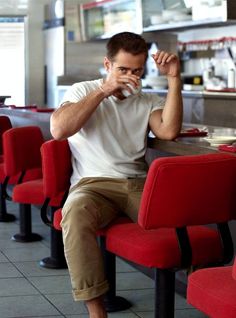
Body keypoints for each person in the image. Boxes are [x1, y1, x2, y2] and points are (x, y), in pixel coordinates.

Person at [50, 31, 183, 318]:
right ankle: (97, 310)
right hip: (92, 185)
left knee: (179, 221)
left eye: (136, 71)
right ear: (107, 65)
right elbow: (59, 130)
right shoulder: (83, 90)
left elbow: (168, 131)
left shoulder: (147, 99)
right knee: (73, 211)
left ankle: (209, 294)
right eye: (122, 69)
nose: (129, 77)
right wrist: (103, 91)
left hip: (137, 184)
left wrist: (173, 79)